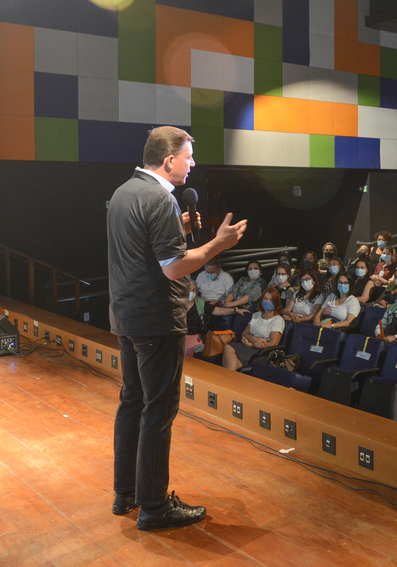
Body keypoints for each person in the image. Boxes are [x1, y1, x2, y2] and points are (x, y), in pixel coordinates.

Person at [108, 126, 246, 529]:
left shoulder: (123, 193)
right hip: (156, 321)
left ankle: (126, 495)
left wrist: (179, 230)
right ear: (169, 160)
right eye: (188, 156)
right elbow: (174, 268)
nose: (193, 164)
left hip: (126, 318)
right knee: (159, 411)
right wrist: (218, 244)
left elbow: (140, 251)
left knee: (132, 402)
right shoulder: (160, 199)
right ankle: (154, 507)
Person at [223, 287, 284, 371]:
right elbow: (244, 333)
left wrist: (251, 345)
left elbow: (273, 344)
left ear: (276, 303)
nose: (268, 302)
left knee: (232, 361)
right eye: (265, 299)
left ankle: (226, 379)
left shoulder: (278, 320)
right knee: (228, 348)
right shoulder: (257, 315)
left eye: (271, 300)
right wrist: (253, 339)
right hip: (249, 345)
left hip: (262, 351)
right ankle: (228, 378)